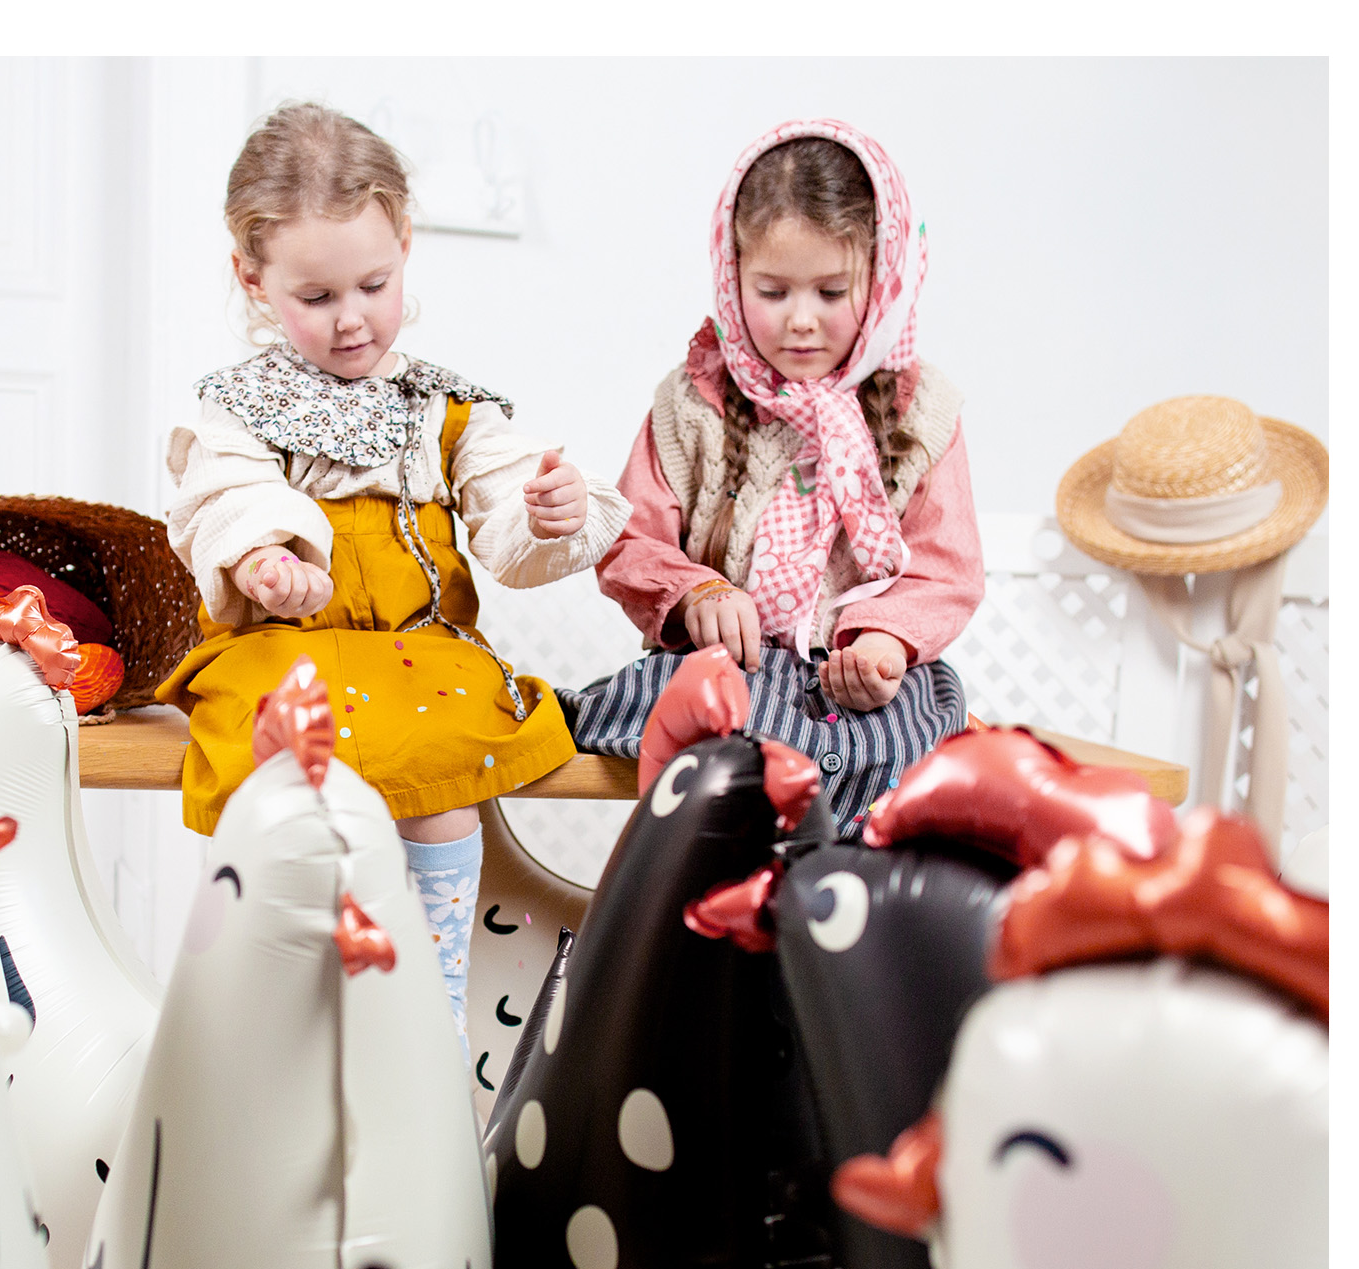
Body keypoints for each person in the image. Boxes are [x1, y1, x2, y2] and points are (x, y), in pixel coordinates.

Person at [156, 103, 629, 1043]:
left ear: (406, 242)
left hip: (419, 653)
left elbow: (503, 500)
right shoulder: (238, 408)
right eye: (316, 297)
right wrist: (271, 556)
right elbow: (226, 493)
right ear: (252, 278)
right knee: (286, 758)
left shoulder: (443, 407)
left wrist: (547, 512)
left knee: (438, 746)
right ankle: (295, 992)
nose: (351, 319)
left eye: (373, 284)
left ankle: (433, 992)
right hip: (287, 646)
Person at [568, 118, 982, 836]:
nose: (801, 321)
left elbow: (945, 567)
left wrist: (883, 643)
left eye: (831, 292)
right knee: (710, 725)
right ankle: (716, 885)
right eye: (772, 290)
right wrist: (694, 592)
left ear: (881, 277)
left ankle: (836, 882)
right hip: (733, 672)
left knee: (911, 739)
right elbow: (630, 537)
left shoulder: (921, 409)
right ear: (732, 277)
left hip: (863, 686)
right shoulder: (691, 401)